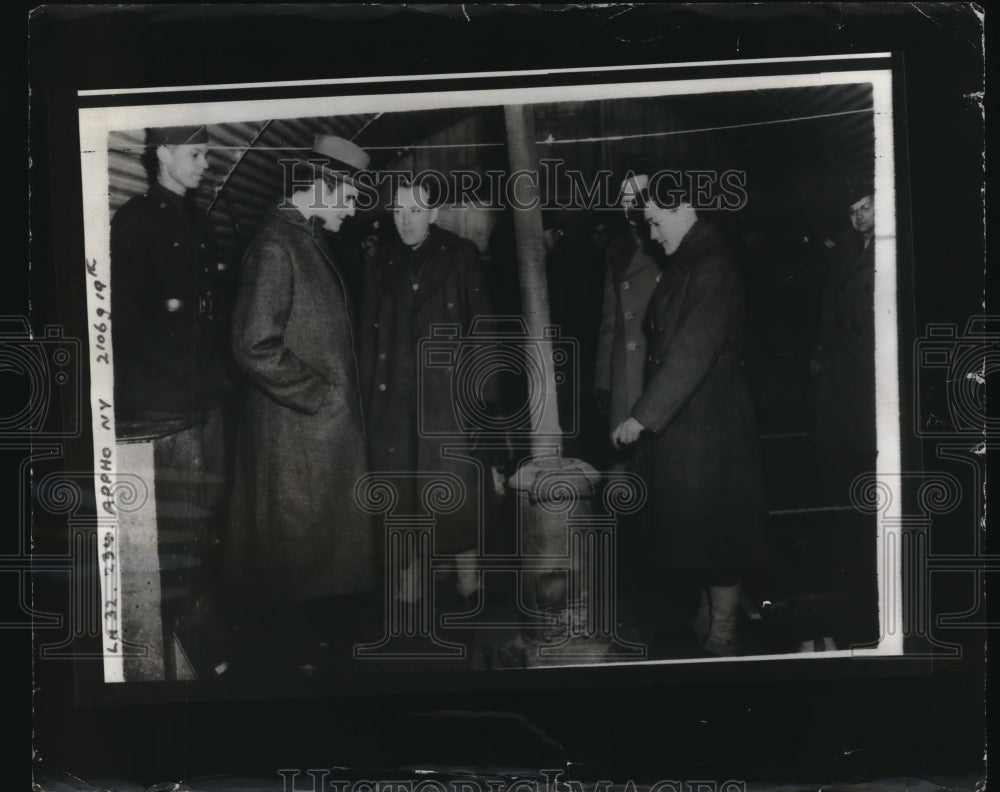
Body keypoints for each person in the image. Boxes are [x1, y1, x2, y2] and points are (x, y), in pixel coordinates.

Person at [226, 136, 377, 649]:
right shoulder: (277, 244)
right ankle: (298, 664)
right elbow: (253, 345)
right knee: (297, 562)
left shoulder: (305, 239)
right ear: (327, 186)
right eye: (352, 196)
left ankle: (312, 655)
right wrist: (320, 395)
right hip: (297, 436)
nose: (354, 209)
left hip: (315, 438)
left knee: (316, 561)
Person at [610, 182, 767, 657]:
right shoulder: (689, 261)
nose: (653, 234)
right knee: (700, 529)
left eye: (657, 221)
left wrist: (641, 418)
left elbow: (691, 351)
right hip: (692, 418)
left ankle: (724, 630)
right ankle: (711, 612)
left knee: (717, 532)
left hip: (710, 420)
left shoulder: (711, 266)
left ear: (688, 208)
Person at [360, 176, 494, 606]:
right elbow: (366, 335)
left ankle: (467, 574)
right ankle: (409, 578)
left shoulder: (461, 256)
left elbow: (483, 331)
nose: (405, 220)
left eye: (415, 211)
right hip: (394, 400)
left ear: (434, 214)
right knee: (403, 494)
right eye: (398, 211)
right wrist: (366, 400)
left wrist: (481, 398)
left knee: (455, 489)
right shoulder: (380, 262)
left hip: (448, 398)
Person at [810, 183, 877, 502]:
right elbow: (828, 303)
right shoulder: (843, 248)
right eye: (852, 211)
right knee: (837, 428)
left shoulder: (894, 245)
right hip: (840, 346)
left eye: (865, 207)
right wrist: (820, 349)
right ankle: (841, 494)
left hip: (872, 349)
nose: (858, 216)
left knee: (868, 428)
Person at [594, 163, 664, 467]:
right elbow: (610, 320)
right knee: (626, 473)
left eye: (637, 197)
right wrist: (603, 380)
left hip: (657, 370)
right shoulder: (617, 248)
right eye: (624, 198)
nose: (629, 206)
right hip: (625, 376)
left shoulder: (669, 244)